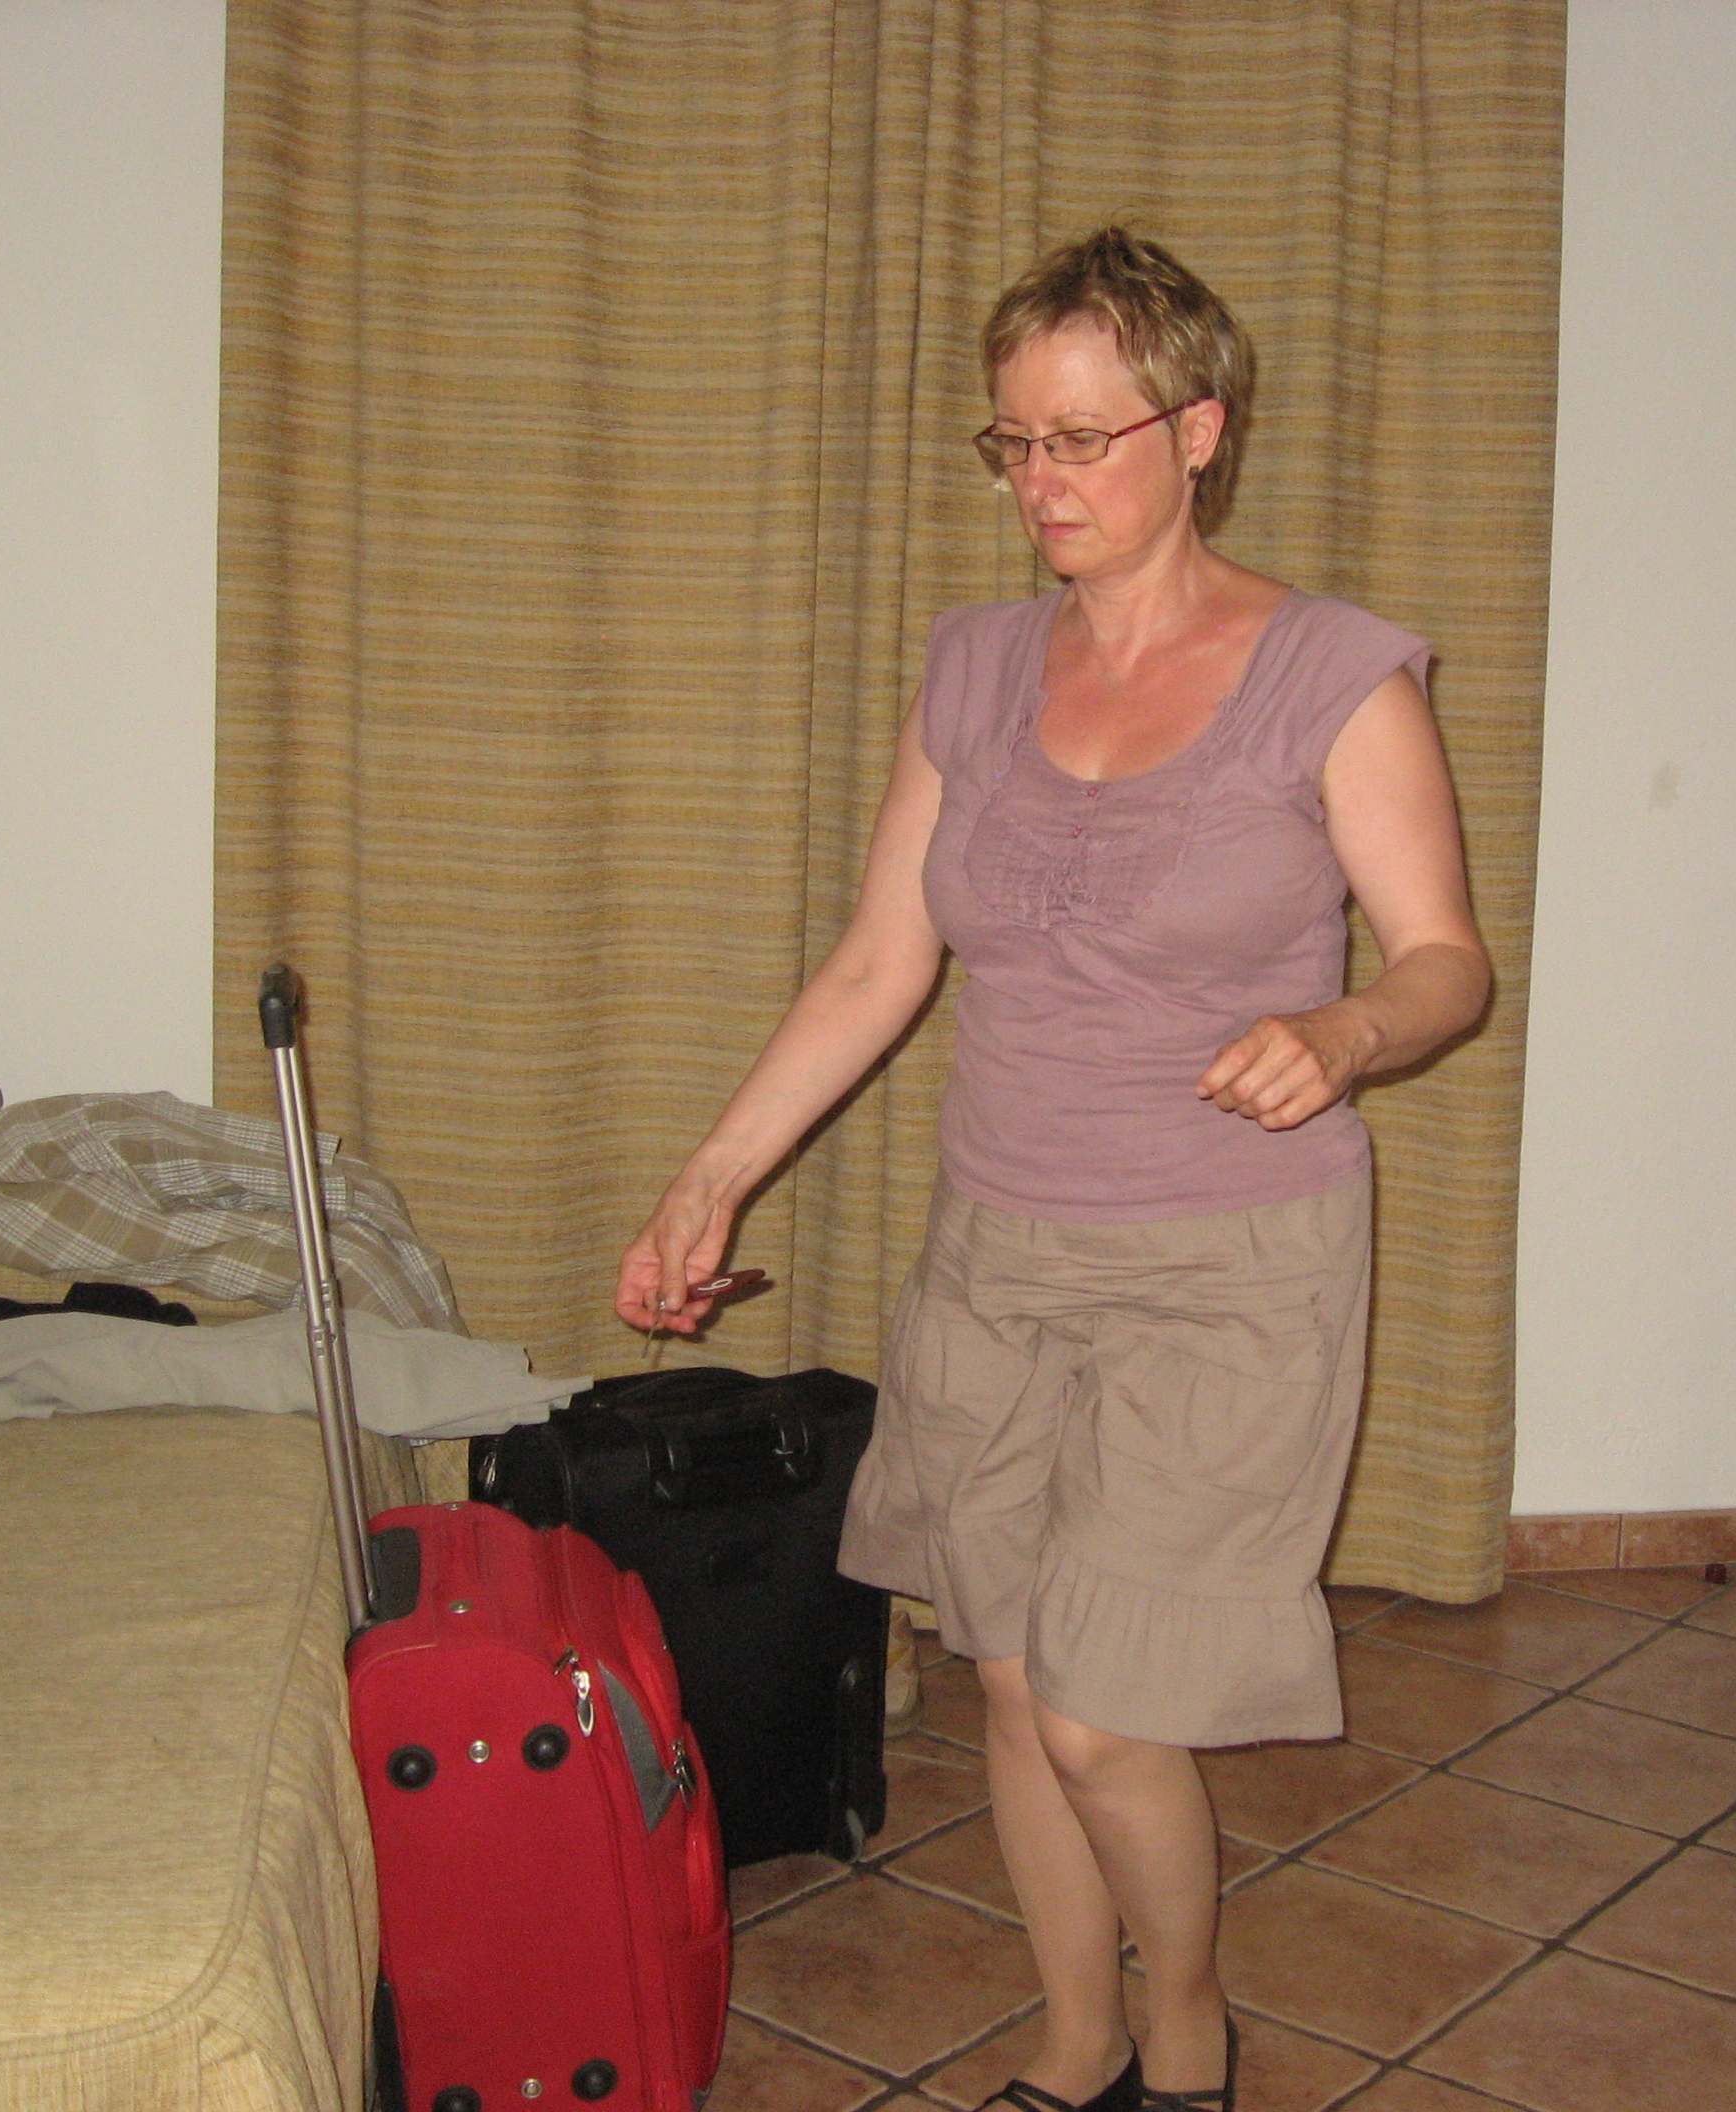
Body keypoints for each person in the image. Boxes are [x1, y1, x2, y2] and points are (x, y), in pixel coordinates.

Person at [617, 227, 1490, 2112]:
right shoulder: (976, 669)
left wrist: (1344, 1032)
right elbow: (880, 962)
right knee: (1011, 1675)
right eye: (1014, 441)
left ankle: (1189, 2027)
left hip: (1229, 1262)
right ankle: (1078, 2044)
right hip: (998, 1252)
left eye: (1084, 437)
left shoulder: (1334, 678)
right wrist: (713, 1177)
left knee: (1103, 1711)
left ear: (1201, 431)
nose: (1042, 482)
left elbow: (1445, 964)